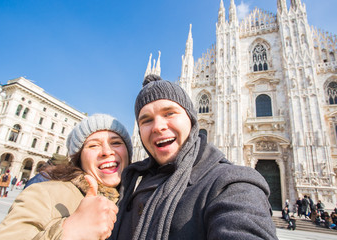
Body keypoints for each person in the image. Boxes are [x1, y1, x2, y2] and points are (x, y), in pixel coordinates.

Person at [111, 75, 278, 240]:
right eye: (146, 120)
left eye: (169, 113)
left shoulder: (231, 184)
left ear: (192, 121)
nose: (158, 127)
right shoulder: (132, 181)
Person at [0, 114, 132, 239]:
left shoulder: (135, 198)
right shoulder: (44, 194)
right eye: (93, 145)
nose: (107, 151)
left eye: (116, 143)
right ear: (79, 158)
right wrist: (70, 232)